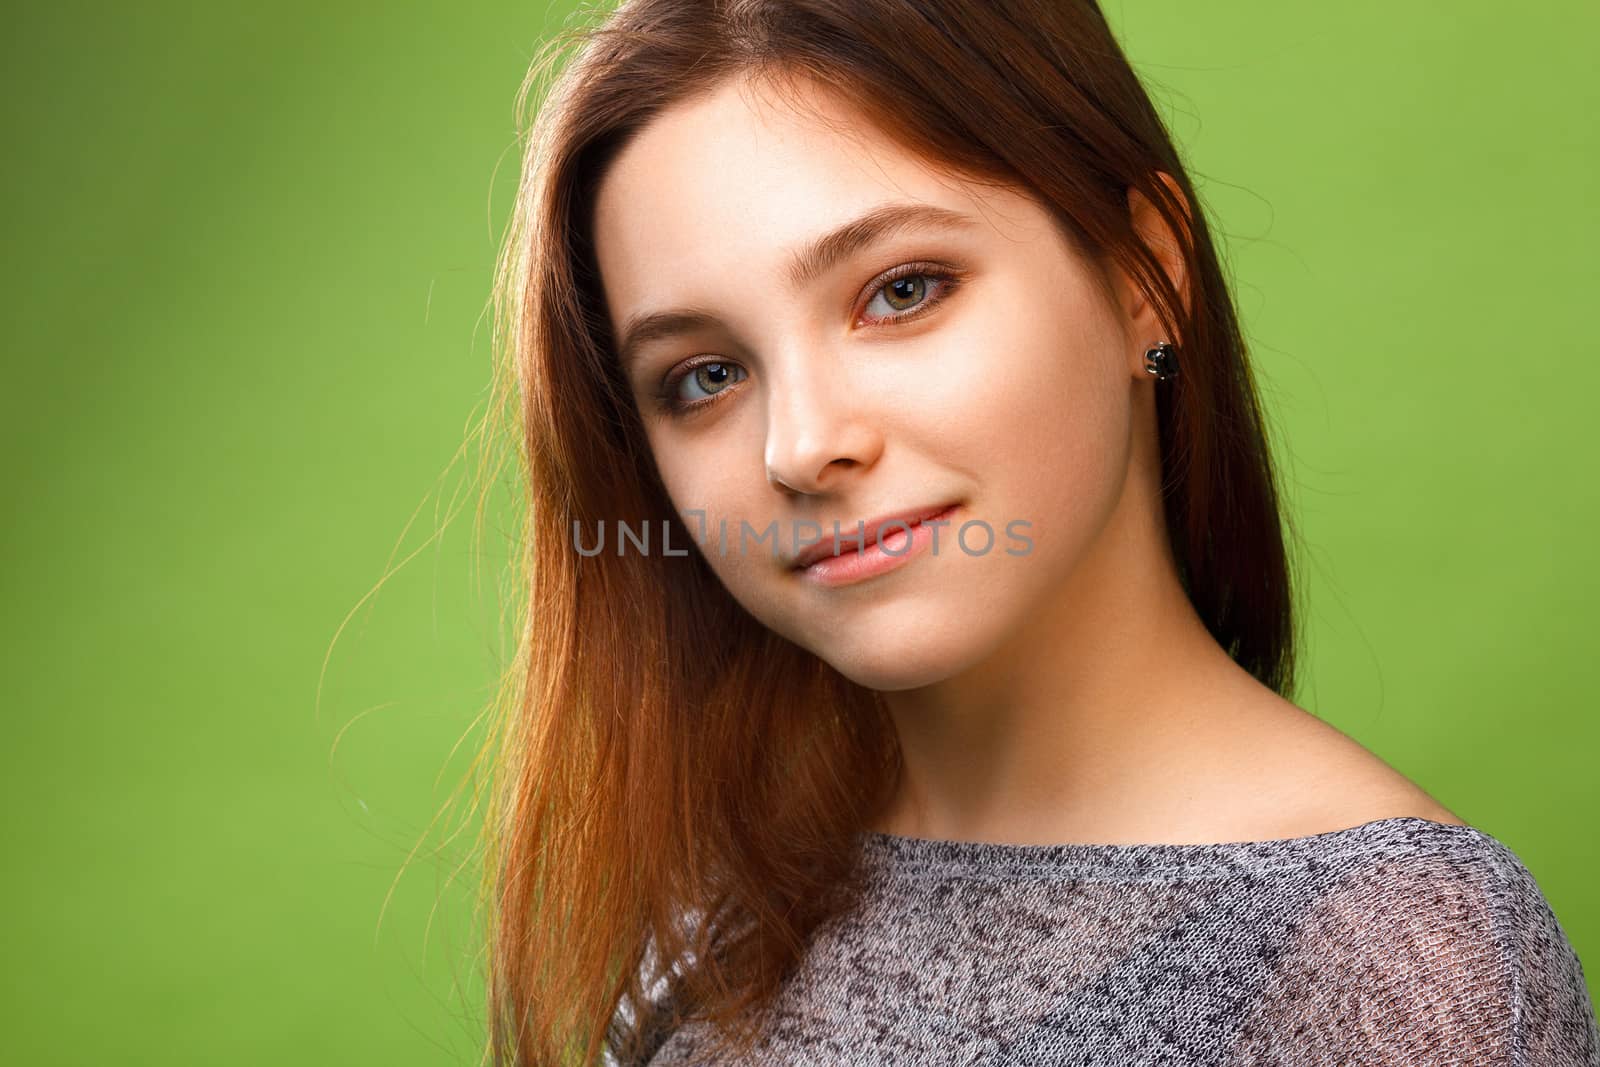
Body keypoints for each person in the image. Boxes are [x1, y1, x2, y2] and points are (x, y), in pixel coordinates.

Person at [472, 1, 1600, 1064]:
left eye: (902, 290)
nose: (802, 445)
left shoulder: (1394, 958)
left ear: (1143, 276)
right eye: (706, 375)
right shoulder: (721, 922)